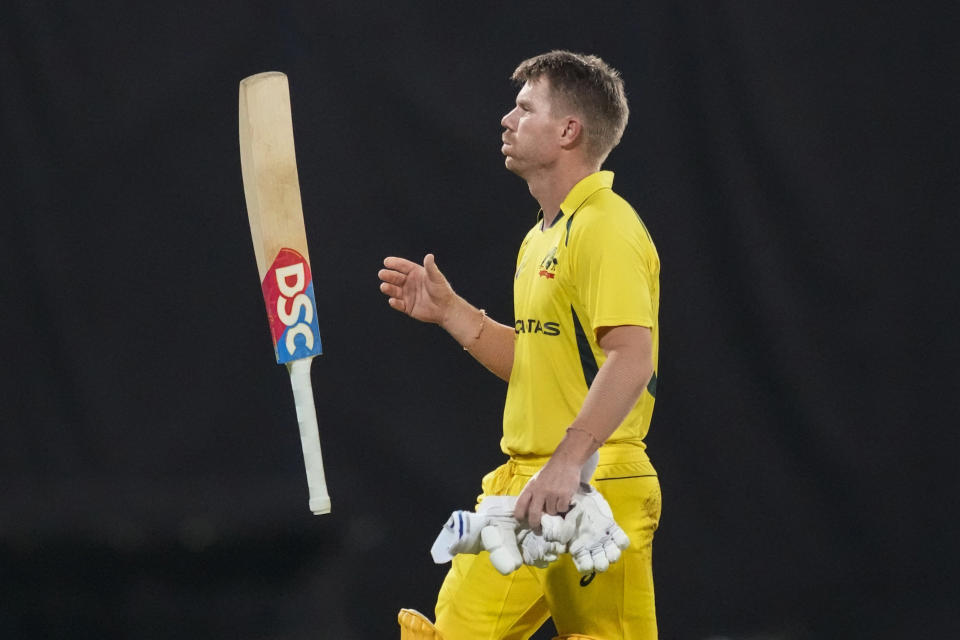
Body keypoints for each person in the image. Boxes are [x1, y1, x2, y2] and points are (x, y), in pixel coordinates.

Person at [380, 50, 662, 640]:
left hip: (594, 482)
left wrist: (567, 463)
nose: (507, 119)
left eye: (525, 108)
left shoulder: (605, 225)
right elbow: (540, 367)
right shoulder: (540, 237)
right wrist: (453, 313)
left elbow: (632, 358)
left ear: (568, 130)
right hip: (525, 487)